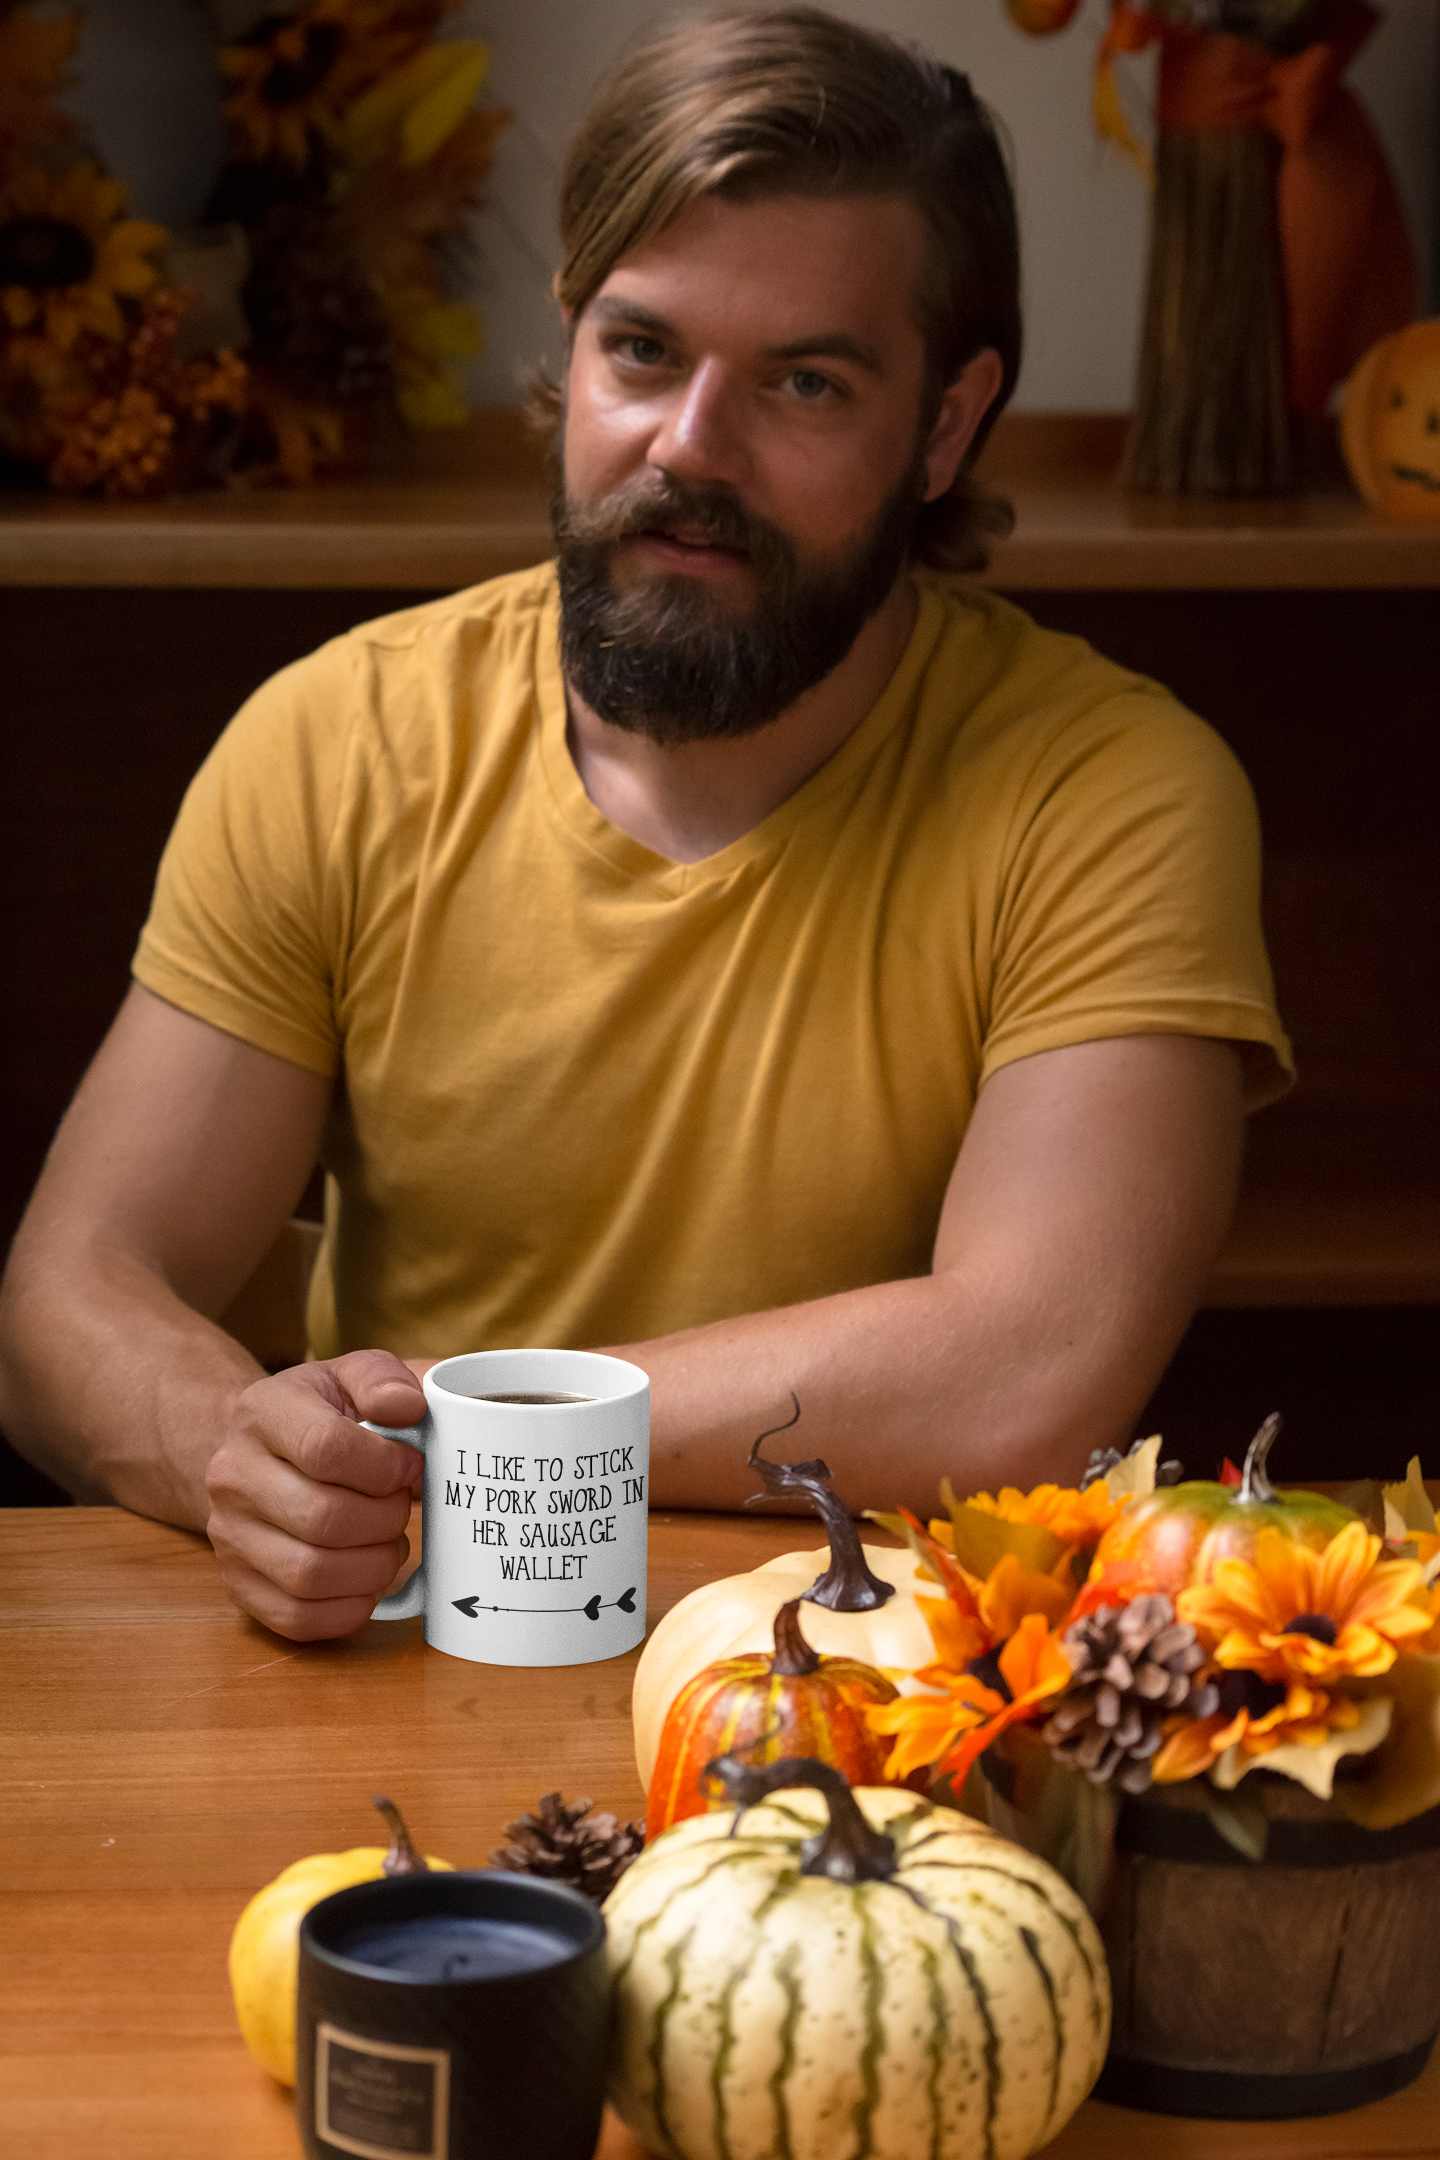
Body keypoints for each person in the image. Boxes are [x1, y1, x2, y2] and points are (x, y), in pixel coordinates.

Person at [0, 5, 1292, 1641]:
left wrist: (479, 1440)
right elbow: (71, 1297)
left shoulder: (1114, 792)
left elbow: (1024, 1369)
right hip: (394, 1649)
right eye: (642, 350)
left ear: (948, 425)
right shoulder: (336, 737)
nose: (691, 447)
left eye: (805, 381)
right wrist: (239, 1457)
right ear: (569, 340)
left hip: (884, 1689)